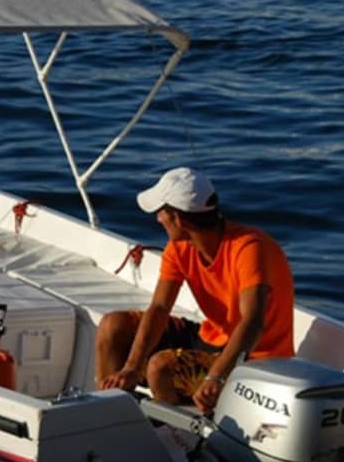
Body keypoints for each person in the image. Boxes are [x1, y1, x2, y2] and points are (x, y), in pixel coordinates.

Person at [95, 167, 294, 415]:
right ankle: (107, 416)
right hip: (210, 339)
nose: (158, 219)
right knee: (113, 325)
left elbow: (252, 321)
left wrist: (217, 377)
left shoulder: (249, 248)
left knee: (161, 367)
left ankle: (175, 440)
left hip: (255, 357)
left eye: (161, 213)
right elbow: (159, 308)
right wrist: (132, 367)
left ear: (178, 219)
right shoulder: (179, 248)